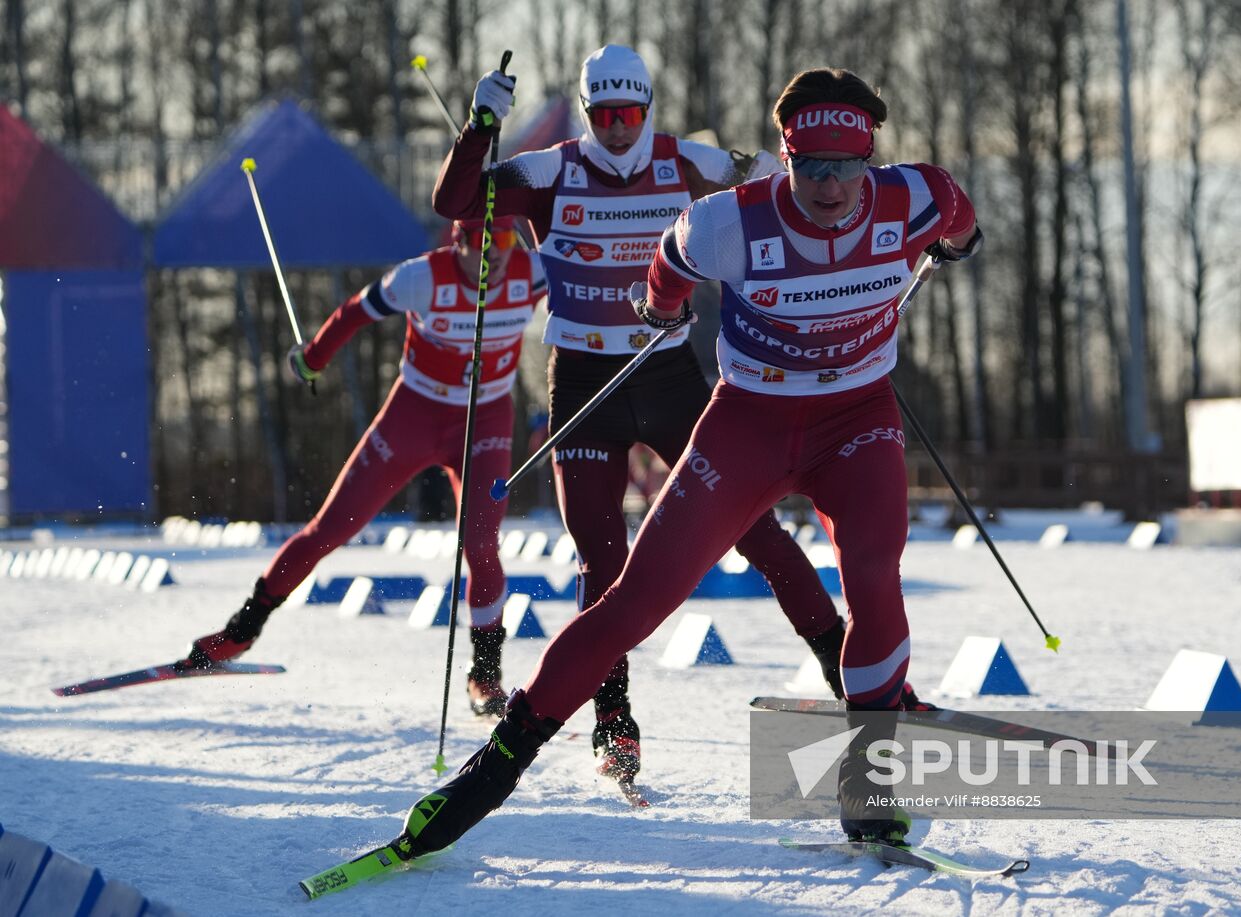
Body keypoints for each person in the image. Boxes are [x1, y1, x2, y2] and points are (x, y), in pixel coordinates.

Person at [383, 67, 983, 859]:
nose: (830, 187)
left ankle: (869, 785)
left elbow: (962, 227)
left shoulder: (919, 195)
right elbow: (669, 261)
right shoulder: (727, 223)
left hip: (856, 420)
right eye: (810, 167)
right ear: (786, 157)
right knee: (634, 598)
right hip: (749, 425)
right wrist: (660, 311)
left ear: (870, 158)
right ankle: (493, 770)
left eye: (846, 167)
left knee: (874, 572)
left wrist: (952, 246)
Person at [433, 44, 853, 783]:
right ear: (588, 110)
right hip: (583, 383)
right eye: (604, 114)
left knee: (755, 529)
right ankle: (614, 723)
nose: (619, 128)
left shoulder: (687, 161)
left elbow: (781, 184)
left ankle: (849, 675)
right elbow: (457, 203)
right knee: (603, 558)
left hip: (667, 377)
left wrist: (832, 243)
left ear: (648, 107)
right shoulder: (550, 169)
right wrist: (480, 125)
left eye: (630, 113)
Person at [179, 219, 548, 718]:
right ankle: (241, 632)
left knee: (481, 545)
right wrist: (313, 358)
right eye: (480, 243)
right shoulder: (421, 277)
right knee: (330, 529)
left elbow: (594, 296)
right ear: (456, 241)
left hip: (486, 419)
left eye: (503, 241)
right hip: (415, 414)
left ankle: (485, 677)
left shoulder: (535, 271)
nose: (493, 256)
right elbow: (355, 313)